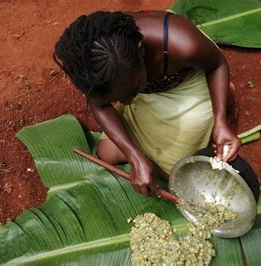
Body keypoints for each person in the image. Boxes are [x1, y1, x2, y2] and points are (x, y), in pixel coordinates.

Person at [54, 11, 242, 197]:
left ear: (141, 49)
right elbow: (99, 104)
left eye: (131, 91)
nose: (126, 102)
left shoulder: (183, 45)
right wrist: (133, 156)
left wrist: (220, 121)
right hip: (144, 89)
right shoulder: (93, 69)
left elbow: (217, 64)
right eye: (117, 98)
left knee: (173, 175)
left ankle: (225, 92)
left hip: (186, 82)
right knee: (108, 154)